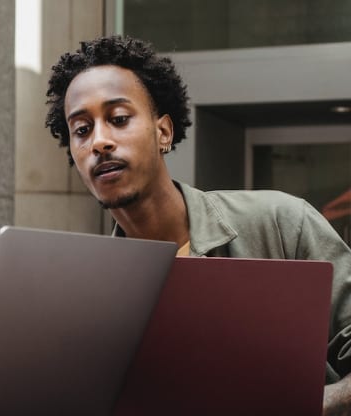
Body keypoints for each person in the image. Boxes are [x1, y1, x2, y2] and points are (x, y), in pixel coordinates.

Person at [43, 34, 351, 414]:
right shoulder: (93, 297)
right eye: (82, 130)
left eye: (118, 119)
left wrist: (307, 406)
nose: (99, 141)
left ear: (164, 132)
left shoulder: (282, 223)